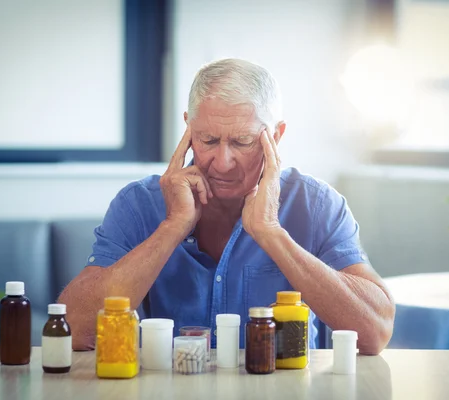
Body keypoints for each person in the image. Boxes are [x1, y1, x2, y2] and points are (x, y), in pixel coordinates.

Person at [59, 58, 395, 355]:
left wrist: (272, 234)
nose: (222, 162)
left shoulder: (317, 204)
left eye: (242, 141)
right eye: (207, 140)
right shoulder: (138, 204)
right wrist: (172, 227)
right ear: (188, 128)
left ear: (275, 136)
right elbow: (74, 329)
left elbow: (374, 333)